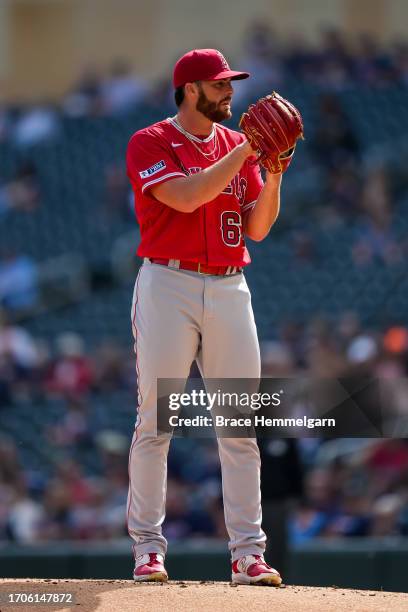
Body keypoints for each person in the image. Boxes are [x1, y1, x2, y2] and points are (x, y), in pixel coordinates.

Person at [126, 48, 284, 586]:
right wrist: (243, 155)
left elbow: (258, 227)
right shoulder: (150, 141)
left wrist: (275, 170)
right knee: (156, 421)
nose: (229, 93)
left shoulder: (237, 147)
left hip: (229, 286)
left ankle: (248, 554)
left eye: (229, 84)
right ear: (189, 90)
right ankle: (147, 549)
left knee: (240, 425)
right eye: (218, 85)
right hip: (167, 283)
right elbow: (189, 197)